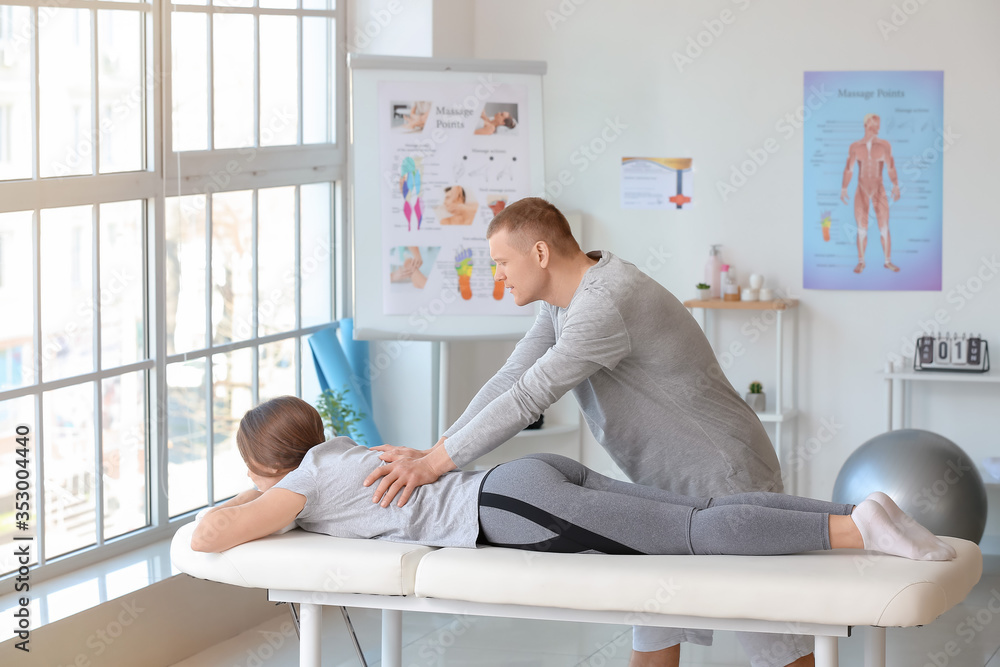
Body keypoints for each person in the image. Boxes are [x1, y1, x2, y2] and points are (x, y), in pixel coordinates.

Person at [361, 197, 816, 667]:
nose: (497, 275)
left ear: (540, 254)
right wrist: (436, 450)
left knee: (776, 645)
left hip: (724, 477)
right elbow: (510, 378)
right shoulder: (565, 302)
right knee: (656, 619)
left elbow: (528, 398)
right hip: (664, 489)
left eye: (501, 262)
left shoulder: (604, 303)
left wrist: (434, 466)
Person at [190, 396, 956, 571]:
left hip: (512, 507)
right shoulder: (346, 451)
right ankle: (860, 509)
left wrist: (249, 493)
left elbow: (209, 535)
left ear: (267, 463)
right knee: (701, 508)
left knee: (690, 536)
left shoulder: (302, 483)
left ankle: (856, 533)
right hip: (526, 476)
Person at [840, 113, 901, 274]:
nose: (878, 127)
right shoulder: (855, 147)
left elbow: (891, 167)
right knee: (861, 228)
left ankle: (887, 261)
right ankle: (861, 262)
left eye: (879, 124)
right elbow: (849, 169)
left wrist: (895, 185)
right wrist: (844, 188)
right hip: (861, 189)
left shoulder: (884, 145)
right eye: (875, 123)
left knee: (884, 227)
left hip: (878, 189)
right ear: (866, 124)